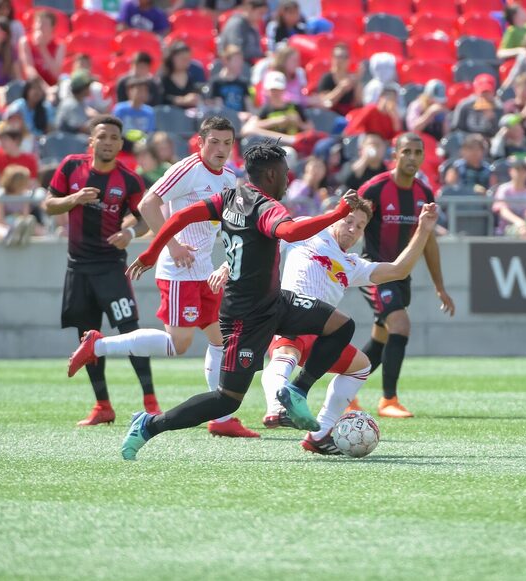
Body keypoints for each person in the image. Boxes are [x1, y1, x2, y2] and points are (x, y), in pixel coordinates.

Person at [119, 144, 363, 460]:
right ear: (273, 174)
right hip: (245, 318)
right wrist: (337, 214)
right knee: (227, 399)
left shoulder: (232, 197)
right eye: (286, 173)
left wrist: (153, 251)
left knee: (342, 326)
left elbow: (181, 215)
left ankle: (297, 390)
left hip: (275, 302)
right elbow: (289, 232)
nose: (289, 179)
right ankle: (149, 425)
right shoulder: (265, 206)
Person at [68, 116, 260, 438]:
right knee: (178, 344)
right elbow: (148, 203)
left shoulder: (229, 177)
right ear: (200, 143)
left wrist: (226, 263)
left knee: (221, 338)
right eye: (214, 142)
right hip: (179, 271)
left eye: (227, 143)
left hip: (204, 271)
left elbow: (234, 223)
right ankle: (97, 346)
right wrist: (170, 246)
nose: (221, 149)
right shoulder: (186, 169)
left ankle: (222, 416)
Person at [256, 198, 439, 453]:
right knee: (287, 353)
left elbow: (399, 270)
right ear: (336, 216)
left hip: (323, 334)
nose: (353, 229)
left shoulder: (353, 264)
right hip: (290, 315)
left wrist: (423, 229)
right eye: (349, 221)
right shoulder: (307, 231)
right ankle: (276, 408)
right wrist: (226, 266)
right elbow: (263, 239)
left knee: (360, 367)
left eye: (361, 226)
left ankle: (318, 435)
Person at [44, 115, 154, 426]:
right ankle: (102, 406)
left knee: (131, 333)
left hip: (110, 268)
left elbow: (142, 218)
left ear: (120, 144)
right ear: (92, 140)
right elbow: (48, 204)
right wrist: (74, 199)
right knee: (88, 339)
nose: (107, 142)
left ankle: (151, 402)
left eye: (113, 138)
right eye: (102, 136)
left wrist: (129, 234)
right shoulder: (70, 167)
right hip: (78, 269)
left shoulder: (130, 180)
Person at [358, 133, 455, 418]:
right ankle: (388, 400)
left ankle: (345, 393)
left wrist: (440, 287)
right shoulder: (374, 189)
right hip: (374, 272)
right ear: (395, 155)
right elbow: (351, 225)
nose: (412, 157)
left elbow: (429, 241)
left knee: (381, 339)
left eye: (417, 152)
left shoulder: (424, 194)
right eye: (407, 152)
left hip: (402, 276)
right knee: (400, 325)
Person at [18, 9, 65, 87]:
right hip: (32, 86)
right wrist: (44, 88)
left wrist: (43, 48)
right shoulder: (25, 42)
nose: (39, 26)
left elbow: (56, 73)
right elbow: (29, 69)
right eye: (38, 22)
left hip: (53, 86)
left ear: (52, 28)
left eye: (45, 24)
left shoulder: (59, 45)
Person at [317, 43, 360, 117]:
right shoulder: (327, 78)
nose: (340, 60)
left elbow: (358, 103)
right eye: (337, 57)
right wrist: (340, 89)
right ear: (332, 58)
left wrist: (357, 84)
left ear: (348, 60)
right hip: (331, 116)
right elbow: (323, 102)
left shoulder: (352, 79)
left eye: (343, 57)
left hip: (349, 116)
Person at [451, 73, 500, 138]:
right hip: (468, 141)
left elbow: (499, 133)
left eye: (488, 92)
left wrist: (492, 119)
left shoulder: (498, 107)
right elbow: (457, 129)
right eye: (482, 92)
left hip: (488, 142)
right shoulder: (465, 106)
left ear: (493, 92)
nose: (485, 96)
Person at [113, 77, 157, 142]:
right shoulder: (120, 109)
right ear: (129, 91)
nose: (143, 93)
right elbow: (116, 131)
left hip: (142, 146)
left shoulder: (150, 112)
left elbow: (150, 133)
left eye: (145, 90)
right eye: (139, 90)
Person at [160, 41, 201, 109]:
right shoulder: (163, 79)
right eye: (182, 58)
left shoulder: (192, 78)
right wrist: (181, 100)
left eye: (187, 59)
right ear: (171, 58)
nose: (185, 62)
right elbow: (161, 99)